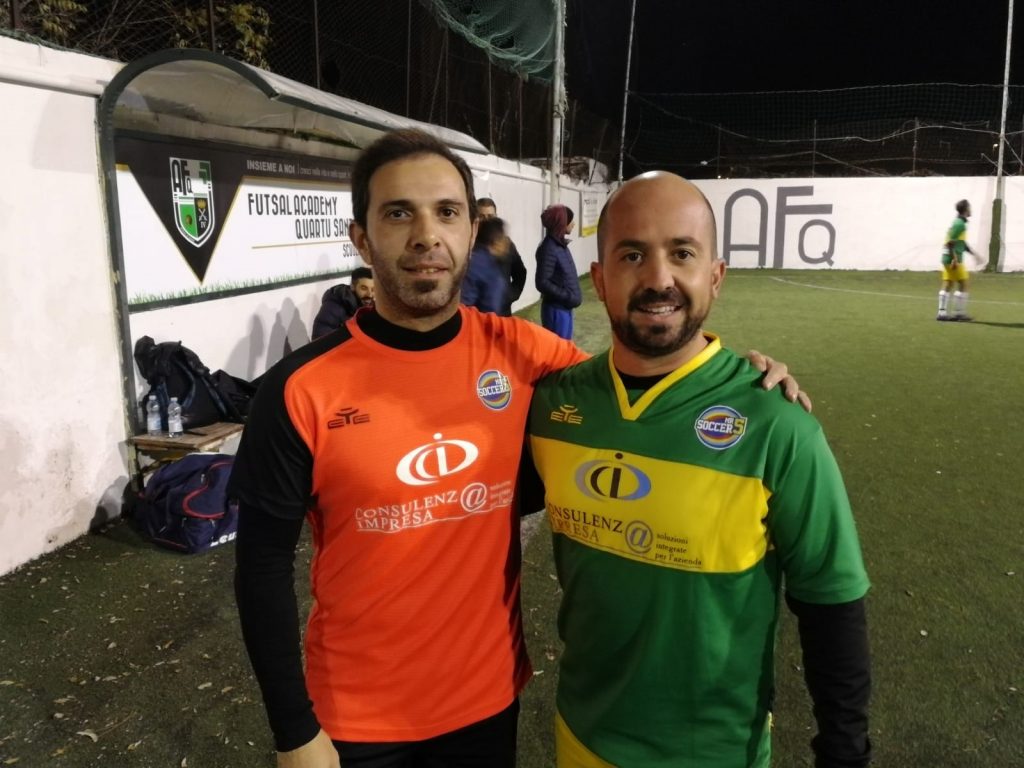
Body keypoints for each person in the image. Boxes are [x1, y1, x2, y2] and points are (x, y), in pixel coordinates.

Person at [230, 129, 806, 768]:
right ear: (362, 239)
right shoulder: (299, 389)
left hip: (487, 703)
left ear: (471, 231)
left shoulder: (525, 354)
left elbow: (643, 384)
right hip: (356, 721)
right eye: (398, 214)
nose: (426, 235)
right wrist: (294, 731)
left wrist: (742, 379)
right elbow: (260, 568)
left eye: (446, 212)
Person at [528, 171, 871, 768]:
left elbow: (831, 603)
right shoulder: (553, 407)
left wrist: (845, 754)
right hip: (581, 735)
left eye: (682, 253)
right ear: (600, 280)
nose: (658, 278)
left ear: (715, 275)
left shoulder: (776, 423)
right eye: (632, 254)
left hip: (715, 752)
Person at [535, 204, 582, 339]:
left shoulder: (560, 245)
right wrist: (567, 296)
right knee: (557, 350)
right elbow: (542, 282)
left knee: (566, 348)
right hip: (556, 311)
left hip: (565, 309)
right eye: (570, 220)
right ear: (561, 223)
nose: (573, 224)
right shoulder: (548, 248)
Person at [477, 197, 527, 315]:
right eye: (482, 216)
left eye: (490, 216)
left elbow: (520, 272)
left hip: (503, 314)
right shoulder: (468, 244)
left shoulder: (506, 244)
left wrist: (510, 295)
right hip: (477, 315)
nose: (486, 221)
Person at [937, 199, 984, 322]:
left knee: (948, 283)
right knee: (963, 283)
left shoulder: (959, 222)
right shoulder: (959, 224)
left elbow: (961, 243)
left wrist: (974, 255)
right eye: (969, 207)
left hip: (948, 257)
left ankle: (942, 313)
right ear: (965, 209)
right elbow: (950, 243)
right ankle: (959, 313)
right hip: (953, 259)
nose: (971, 210)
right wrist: (954, 259)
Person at [462, 217, 512, 315]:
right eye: (504, 238)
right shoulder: (485, 267)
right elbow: (490, 306)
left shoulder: (473, 258)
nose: (507, 243)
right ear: (497, 241)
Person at [310, 266, 375, 339]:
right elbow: (320, 340)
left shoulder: (374, 307)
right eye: (364, 288)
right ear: (353, 287)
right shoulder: (333, 306)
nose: (370, 294)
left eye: (373, 289)